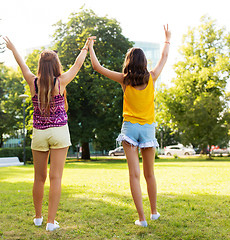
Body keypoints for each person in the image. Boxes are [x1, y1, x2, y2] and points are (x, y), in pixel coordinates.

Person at [4, 36, 91, 231]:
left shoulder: (32, 82)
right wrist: (85, 48)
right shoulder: (61, 82)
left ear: (41, 66)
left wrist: (13, 48)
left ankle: (38, 217)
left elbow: (21, 64)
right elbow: (77, 65)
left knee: (39, 178)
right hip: (59, 132)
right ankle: (51, 222)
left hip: (40, 134)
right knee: (56, 177)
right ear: (56, 65)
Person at [88, 25, 171, 227]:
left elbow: (98, 67)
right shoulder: (152, 77)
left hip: (130, 130)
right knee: (149, 174)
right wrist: (167, 39)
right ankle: (154, 212)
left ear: (128, 62)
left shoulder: (124, 80)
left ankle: (141, 219)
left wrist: (90, 47)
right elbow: (165, 57)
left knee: (134, 175)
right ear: (144, 62)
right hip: (148, 129)